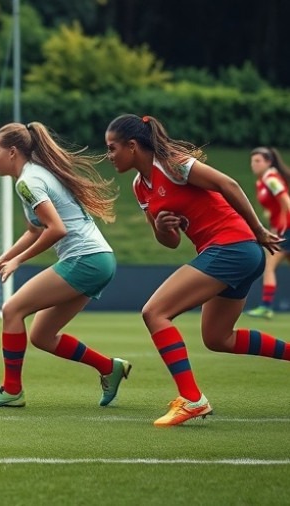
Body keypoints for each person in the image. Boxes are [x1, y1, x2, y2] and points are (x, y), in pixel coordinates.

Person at [105, 114, 288, 427]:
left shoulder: (174, 164)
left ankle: (192, 400)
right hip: (236, 253)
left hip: (233, 247)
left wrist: (257, 228)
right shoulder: (140, 187)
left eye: (112, 148)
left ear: (132, 146)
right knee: (218, 338)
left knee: (155, 312)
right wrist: (163, 227)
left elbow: (226, 183)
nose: (109, 156)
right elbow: (170, 242)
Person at [0, 122, 131, 410]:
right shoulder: (34, 175)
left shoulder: (28, 181)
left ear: (12, 151)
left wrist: (18, 261)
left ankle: (11, 390)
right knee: (42, 336)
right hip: (100, 259)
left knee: (12, 310)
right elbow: (35, 230)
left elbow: (57, 229)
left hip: (86, 260)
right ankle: (109, 367)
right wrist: (2, 260)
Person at [245, 147, 290, 319]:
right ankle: (266, 306)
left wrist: (283, 226)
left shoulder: (271, 179)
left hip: (286, 229)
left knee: (269, 266)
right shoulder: (262, 181)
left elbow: (286, 201)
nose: (253, 165)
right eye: (252, 161)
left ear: (268, 162)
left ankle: (266, 306)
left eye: (258, 161)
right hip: (282, 229)